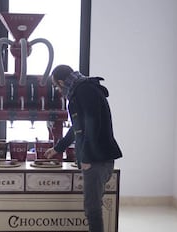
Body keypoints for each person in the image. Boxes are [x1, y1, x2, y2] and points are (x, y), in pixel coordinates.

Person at [44, 65, 122, 232]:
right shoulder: (82, 89)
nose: (58, 90)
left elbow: (92, 124)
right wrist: (58, 148)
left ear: (61, 81)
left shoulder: (83, 91)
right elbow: (77, 126)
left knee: (92, 208)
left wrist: (87, 157)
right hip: (100, 157)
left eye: (56, 86)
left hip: (97, 160)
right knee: (93, 206)